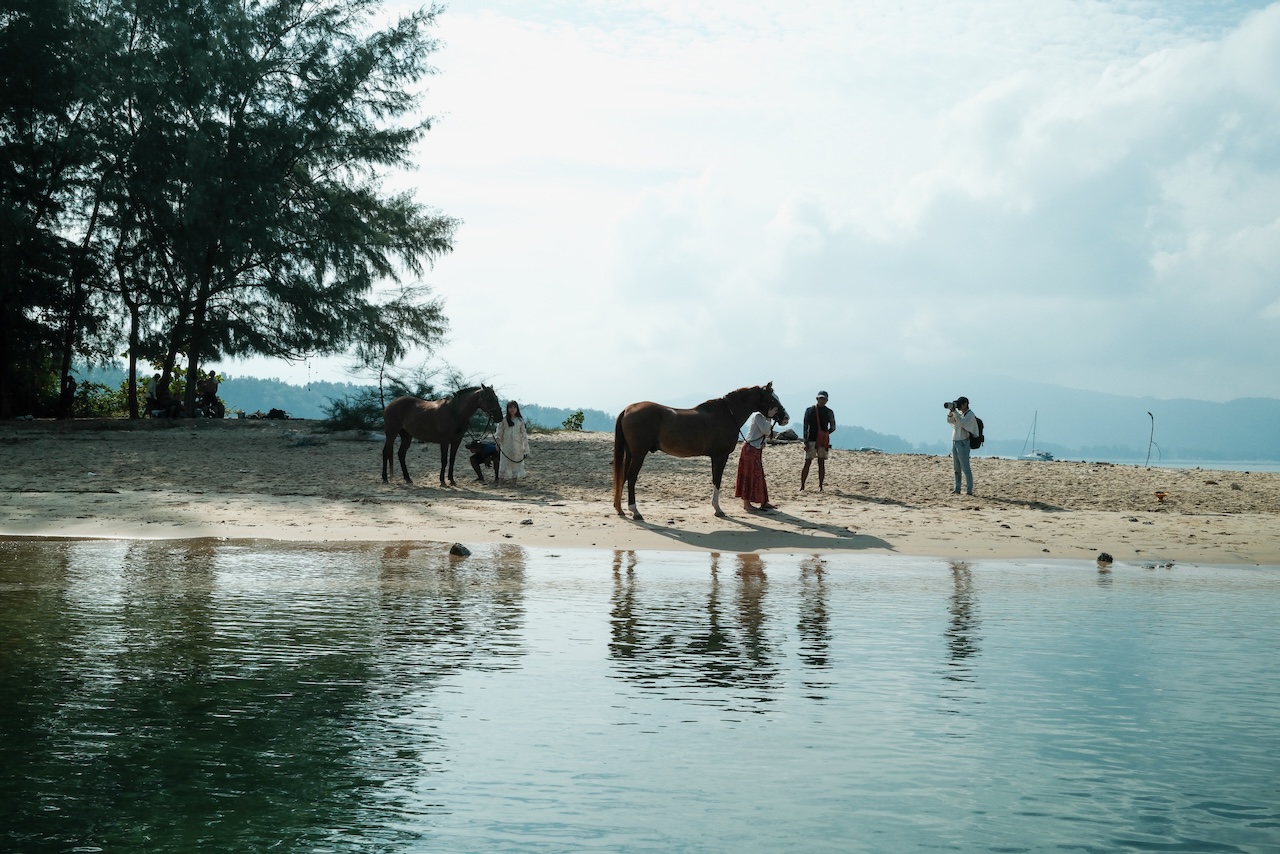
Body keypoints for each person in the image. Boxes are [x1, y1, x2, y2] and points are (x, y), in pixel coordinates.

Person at [735, 405, 780, 512]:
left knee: (758, 475)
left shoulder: (761, 417)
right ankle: (747, 503)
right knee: (748, 475)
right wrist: (769, 417)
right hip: (750, 448)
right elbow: (765, 431)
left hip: (755, 448)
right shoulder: (758, 416)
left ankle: (763, 501)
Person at [800, 390, 837, 491]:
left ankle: (815, 486)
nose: (822, 400)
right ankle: (808, 486)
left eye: (823, 399)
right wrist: (825, 434)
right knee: (814, 463)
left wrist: (807, 440)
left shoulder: (809, 410)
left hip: (815, 439)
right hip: (816, 440)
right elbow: (833, 427)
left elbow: (805, 426)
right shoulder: (829, 412)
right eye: (821, 398)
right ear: (817, 399)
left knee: (813, 463)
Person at [946, 396, 979, 495]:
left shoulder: (970, 415)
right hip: (955, 441)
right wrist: (951, 412)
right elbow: (949, 421)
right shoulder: (959, 414)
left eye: (960, 404)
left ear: (965, 404)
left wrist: (955, 413)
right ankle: (957, 488)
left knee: (965, 468)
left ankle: (969, 490)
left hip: (964, 442)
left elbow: (962, 423)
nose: (959, 407)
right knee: (956, 468)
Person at [495, 400, 529, 484]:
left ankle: (514, 483)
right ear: (507, 409)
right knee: (503, 463)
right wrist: (498, 442)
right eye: (510, 407)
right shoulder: (503, 419)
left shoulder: (520, 420)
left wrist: (526, 448)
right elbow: (499, 431)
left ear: (517, 409)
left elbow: (524, 434)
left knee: (515, 464)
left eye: (514, 407)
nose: (512, 409)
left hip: (517, 445)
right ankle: (500, 482)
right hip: (506, 444)